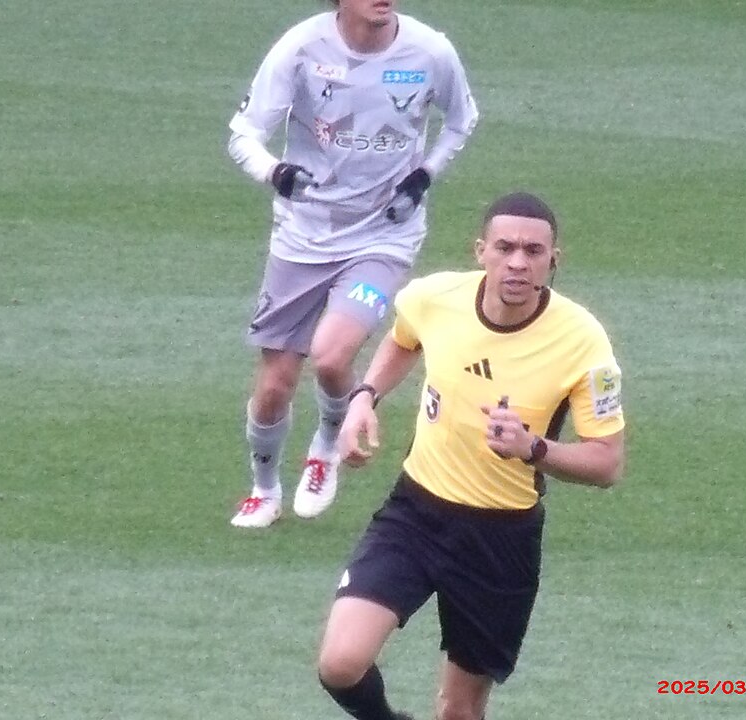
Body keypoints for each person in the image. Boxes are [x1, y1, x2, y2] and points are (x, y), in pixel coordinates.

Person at [316, 192, 626, 720]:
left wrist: (533, 448)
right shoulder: (435, 297)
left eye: (534, 251)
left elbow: (607, 463)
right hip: (415, 514)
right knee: (340, 664)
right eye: (505, 248)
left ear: (555, 260)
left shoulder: (584, 342)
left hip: (499, 540)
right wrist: (365, 397)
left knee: (459, 712)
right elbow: (403, 339)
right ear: (481, 250)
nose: (518, 263)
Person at [226, 0, 479, 528]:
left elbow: (461, 120)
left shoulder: (430, 50)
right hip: (302, 237)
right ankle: (264, 488)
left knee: (332, 356)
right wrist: (276, 173)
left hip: (384, 237)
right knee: (274, 384)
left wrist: (425, 174)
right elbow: (244, 133)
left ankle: (325, 449)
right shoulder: (302, 48)